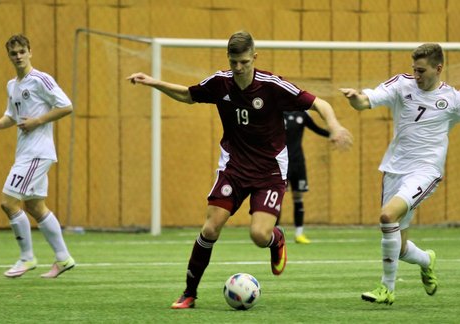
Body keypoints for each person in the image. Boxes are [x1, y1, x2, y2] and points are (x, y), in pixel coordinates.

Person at [127, 30, 353, 309]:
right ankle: (189, 293)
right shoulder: (220, 83)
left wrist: (335, 127)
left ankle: (276, 238)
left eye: (244, 62)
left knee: (259, 236)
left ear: (254, 58)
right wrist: (152, 82)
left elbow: (320, 103)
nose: (238, 68)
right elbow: (188, 95)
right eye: (234, 62)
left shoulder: (272, 86)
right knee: (210, 229)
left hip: (269, 171)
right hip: (233, 167)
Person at [340, 43, 460, 305]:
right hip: (395, 168)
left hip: (426, 170)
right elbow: (365, 102)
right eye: (414, 70)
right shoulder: (401, 84)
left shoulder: (452, 98)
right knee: (401, 246)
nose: (416, 76)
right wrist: (354, 100)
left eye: (421, 71)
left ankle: (387, 288)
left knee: (387, 216)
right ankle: (427, 260)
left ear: (438, 69)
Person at [0, 34, 76, 279]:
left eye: (22, 51)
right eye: (14, 53)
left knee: (8, 202)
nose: (18, 56)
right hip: (25, 152)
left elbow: (66, 106)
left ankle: (27, 258)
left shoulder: (41, 80)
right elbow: (11, 117)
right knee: (35, 206)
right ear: (9, 56)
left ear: (30, 52)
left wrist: (37, 121)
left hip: (37, 153)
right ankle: (63, 258)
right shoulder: (12, 85)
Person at [282, 111, 330, 244]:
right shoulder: (277, 111)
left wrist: (333, 134)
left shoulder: (302, 114)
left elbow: (317, 129)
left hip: (298, 163)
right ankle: (275, 233)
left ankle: (299, 234)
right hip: (281, 162)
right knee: (277, 198)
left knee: (298, 197)